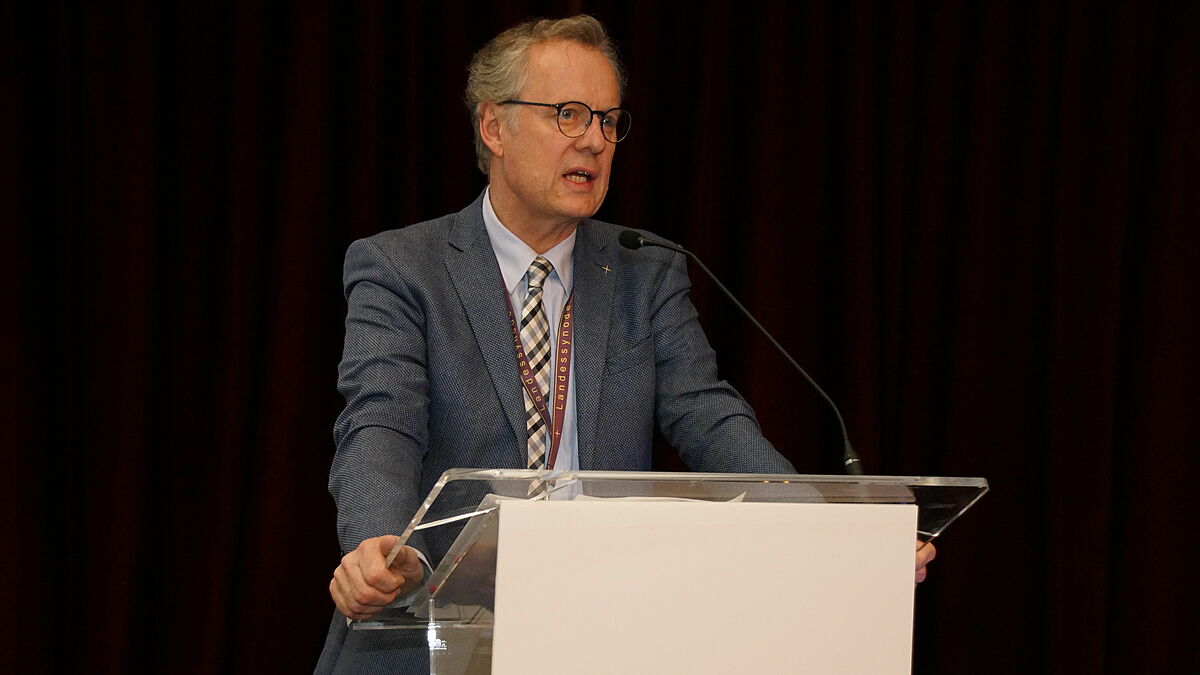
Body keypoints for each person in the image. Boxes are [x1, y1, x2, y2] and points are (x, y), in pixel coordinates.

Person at [318, 14, 935, 673]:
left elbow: (710, 419)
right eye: (569, 114)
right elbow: (380, 425)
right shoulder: (403, 268)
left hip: (602, 629)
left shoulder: (646, 271)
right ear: (495, 127)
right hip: (439, 633)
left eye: (609, 121)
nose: (594, 141)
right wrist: (379, 547)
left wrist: (832, 529)